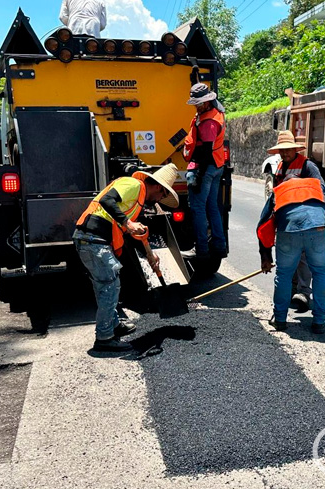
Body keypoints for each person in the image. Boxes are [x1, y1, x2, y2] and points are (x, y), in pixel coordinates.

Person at [74, 164, 180, 352]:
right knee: (109, 286)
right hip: (93, 238)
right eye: (163, 195)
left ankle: (114, 324)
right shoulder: (133, 184)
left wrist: (150, 253)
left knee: (106, 285)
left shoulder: (137, 200)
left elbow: (135, 230)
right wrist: (127, 222)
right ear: (158, 187)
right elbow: (107, 200)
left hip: (94, 240)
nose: (160, 200)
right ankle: (104, 338)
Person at [257, 175, 325, 334]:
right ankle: (319, 322)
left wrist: (266, 257)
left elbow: (263, 224)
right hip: (318, 228)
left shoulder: (279, 189)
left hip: (289, 231)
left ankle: (280, 319)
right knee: (320, 273)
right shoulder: (317, 185)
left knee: (284, 275)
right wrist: (323, 232)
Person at [266, 130, 325, 313]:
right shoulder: (281, 167)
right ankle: (290, 292)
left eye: (288, 150)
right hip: (287, 220)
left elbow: (320, 189)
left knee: (304, 258)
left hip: (307, 219)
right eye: (282, 151)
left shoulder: (308, 166)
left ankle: (303, 293)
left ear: (295, 149)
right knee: (289, 261)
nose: (284, 153)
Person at [183, 83, 227, 260]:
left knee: (198, 208)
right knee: (212, 207)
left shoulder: (209, 121)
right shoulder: (215, 112)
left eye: (199, 103)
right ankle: (219, 245)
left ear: (207, 102)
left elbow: (206, 150)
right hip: (216, 165)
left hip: (206, 167)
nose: (196, 106)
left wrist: (199, 175)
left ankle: (201, 249)